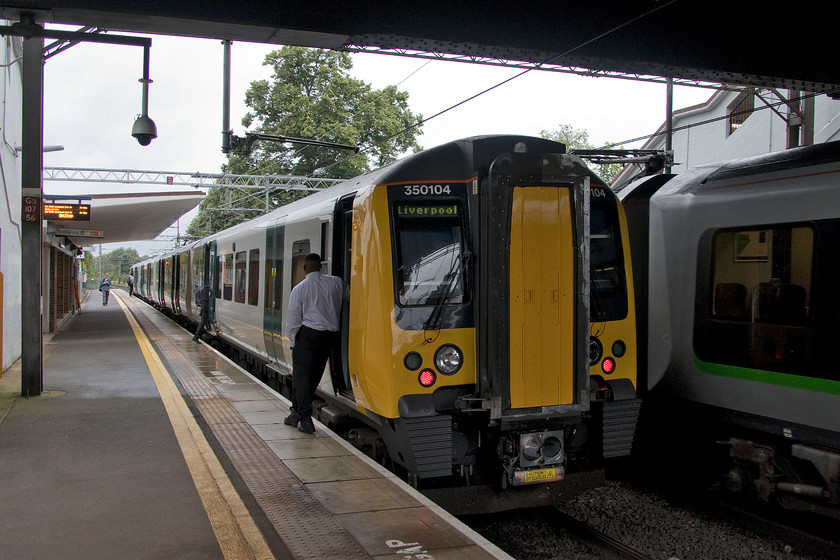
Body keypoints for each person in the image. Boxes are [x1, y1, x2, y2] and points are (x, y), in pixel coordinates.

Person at [285, 253, 350, 434]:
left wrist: (293, 341)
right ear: (321, 266)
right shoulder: (336, 282)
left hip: (308, 335)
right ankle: (295, 415)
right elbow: (351, 296)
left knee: (301, 377)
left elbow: (293, 318)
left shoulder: (300, 288)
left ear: (305, 268)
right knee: (313, 376)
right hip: (329, 337)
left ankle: (304, 417)